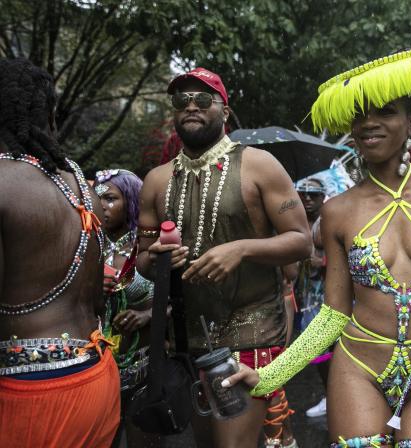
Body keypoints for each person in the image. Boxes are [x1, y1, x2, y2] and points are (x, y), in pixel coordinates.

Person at [223, 48, 411, 447]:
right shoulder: (337, 211)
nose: (369, 123)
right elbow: (333, 314)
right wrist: (269, 376)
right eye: (359, 116)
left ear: (410, 122)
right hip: (358, 367)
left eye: (385, 112)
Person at [137, 67, 311, 448]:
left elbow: (302, 242)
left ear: (225, 111)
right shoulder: (156, 181)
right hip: (187, 342)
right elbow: (143, 263)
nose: (191, 106)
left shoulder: (260, 165)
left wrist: (241, 249)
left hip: (251, 330)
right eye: (182, 100)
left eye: (203, 99)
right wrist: (159, 259)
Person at [0, 58, 120, 447]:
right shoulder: (81, 186)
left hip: (33, 393)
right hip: (97, 376)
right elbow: (98, 297)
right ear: (49, 114)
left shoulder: (3, 183)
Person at [95, 168, 154, 447]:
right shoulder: (88, 246)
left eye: (110, 198)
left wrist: (147, 315)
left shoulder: (148, 246)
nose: (101, 206)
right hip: (96, 368)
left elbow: (181, 300)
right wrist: (91, 288)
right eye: (97, 198)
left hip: (143, 365)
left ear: (130, 200)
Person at [294, 176, 330, 418]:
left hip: (330, 295)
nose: (307, 198)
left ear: (322, 197)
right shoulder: (295, 221)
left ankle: (335, 396)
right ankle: (329, 395)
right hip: (306, 296)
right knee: (315, 351)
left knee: (334, 349)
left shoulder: (328, 220)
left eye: (313, 194)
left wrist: (322, 261)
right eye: (302, 194)